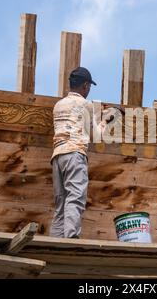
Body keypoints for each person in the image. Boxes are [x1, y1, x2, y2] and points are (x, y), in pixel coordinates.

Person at [50, 67, 119, 238]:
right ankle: (71, 239)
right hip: (75, 154)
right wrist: (108, 119)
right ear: (86, 85)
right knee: (75, 198)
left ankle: (55, 241)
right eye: (89, 87)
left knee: (61, 203)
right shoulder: (85, 104)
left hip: (57, 157)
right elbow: (96, 135)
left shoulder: (58, 105)